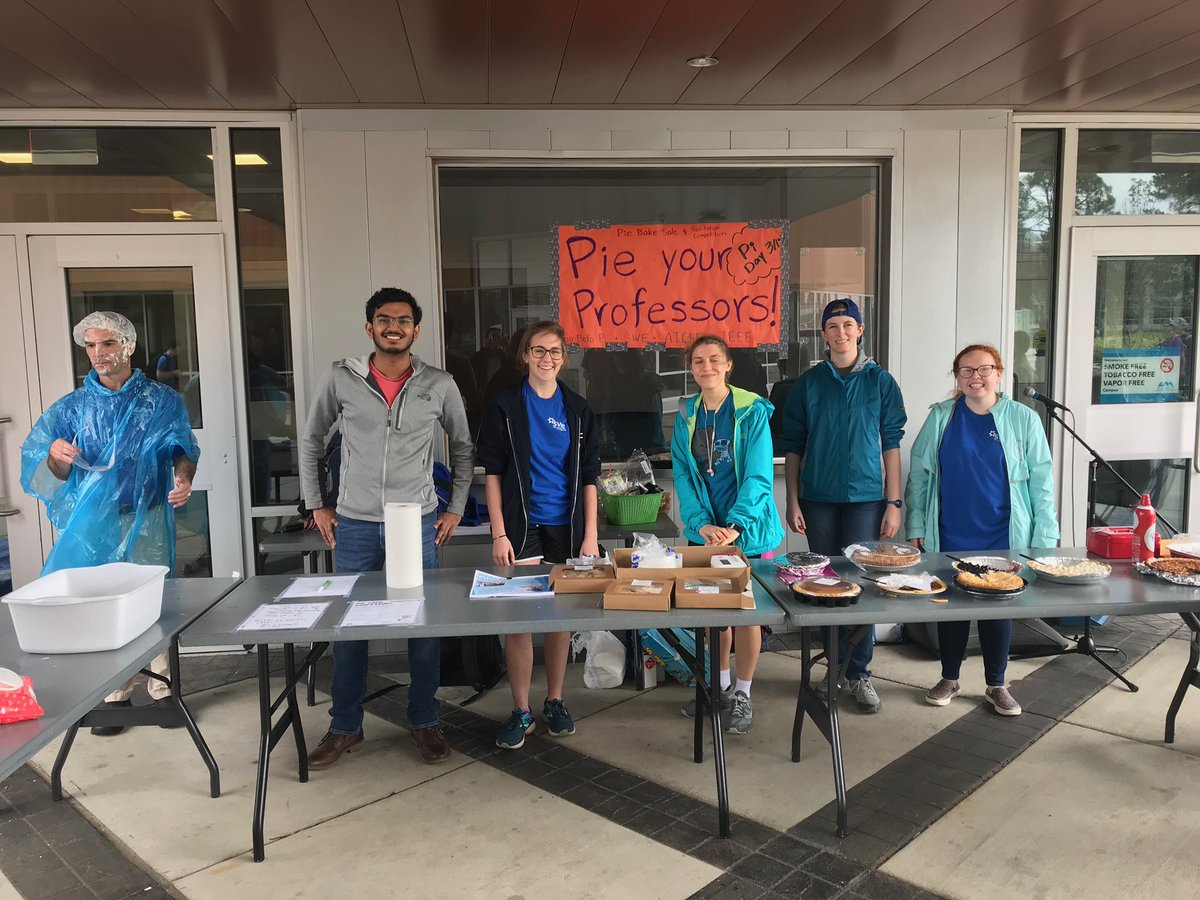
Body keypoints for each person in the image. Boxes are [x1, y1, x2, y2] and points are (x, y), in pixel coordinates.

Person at [300, 287, 474, 768]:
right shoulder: (342, 378)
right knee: (349, 629)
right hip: (353, 524)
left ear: (416, 330)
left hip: (414, 525)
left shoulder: (438, 384)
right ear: (369, 328)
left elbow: (462, 447)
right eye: (383, 319)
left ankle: (424, 721)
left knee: (423, 627)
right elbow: (312, 440)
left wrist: (455, 507)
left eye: (402, 320)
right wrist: (319, 505)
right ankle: (343, 727)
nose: (392, 327)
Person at [21, 311, 198, 736]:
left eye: (108, 344)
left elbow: (182, 448)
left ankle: (165, 690)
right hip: (94, 524)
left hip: (149, 515)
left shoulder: (162, 400)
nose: (99, 354)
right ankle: (114, 695)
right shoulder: (71, 410)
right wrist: (55, 457)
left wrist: (184, 476)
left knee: (155, 602)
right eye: (91, 345)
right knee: (101, 605)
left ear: (129, 346)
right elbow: (45, 476)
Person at [904, 343, 1058, 717]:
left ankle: (996, 684)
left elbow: (1041, 481)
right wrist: (915, 523)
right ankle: (950, 677)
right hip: (951, 529)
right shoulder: (942, 416)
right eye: (967, 371)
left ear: (1000, 373)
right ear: (957, 377)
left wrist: (1044, 539)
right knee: (951, 604)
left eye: (984, 369)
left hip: (1002, 533)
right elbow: (920, 475)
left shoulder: (1024, 418)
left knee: (997, 610)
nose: (976, 377)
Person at [476, 321, 601, 749]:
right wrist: (498, 533)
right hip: (520, 527)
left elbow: (589, 478)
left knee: (559, 619)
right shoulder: (506, 405)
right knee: (521, 619)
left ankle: (554, 700)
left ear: (564, 358)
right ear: (525, 355)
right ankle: (521, 709)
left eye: (554, 351)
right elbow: (492, 473)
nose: (546, 358)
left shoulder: (578, 409)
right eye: (538, 350)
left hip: (565, 528)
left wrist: (590, 535)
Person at [781, 298, 906, 714]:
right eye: (832, 325)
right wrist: (792, 498)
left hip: (866, 500)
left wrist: (893, 502)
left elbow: (891, 443)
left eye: (848, 324)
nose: (840, 332)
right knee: (826, 583)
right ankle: (832, 667)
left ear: (860, 329)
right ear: (823, 335)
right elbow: (794, 447)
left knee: (863, 584)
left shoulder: (880, 382)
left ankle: (860, 674)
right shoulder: (809, 384)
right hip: (817, 498)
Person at [672, 335, 784, 734]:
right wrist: (702, 524)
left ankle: (743, 693)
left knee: (745, 616)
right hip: (707, 534)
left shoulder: (751, 410)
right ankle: (716, 687)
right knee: (711, 615)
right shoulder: (686, 413)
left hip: (747, 532)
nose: (707, 367)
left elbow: (759, 476)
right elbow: (683, 476)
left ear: (728, 364)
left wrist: (734, 526)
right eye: (699, 361)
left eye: (714, 360)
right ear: (691, 368)